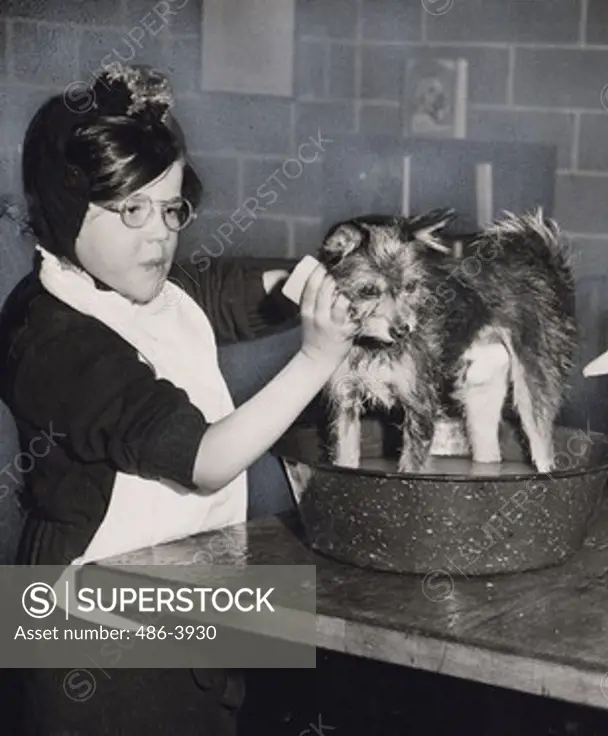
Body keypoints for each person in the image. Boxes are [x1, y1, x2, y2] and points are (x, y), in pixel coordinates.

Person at [0, 65, 354, 735]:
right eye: (130, 210)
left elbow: (218, 290)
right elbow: (204, 459)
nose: (159, 234)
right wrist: (317, 357)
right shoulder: (51, 339)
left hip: (179, 595)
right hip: (92, 633)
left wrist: (312, 277)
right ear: (66, 203)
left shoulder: (130, 280)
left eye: (171, 208)